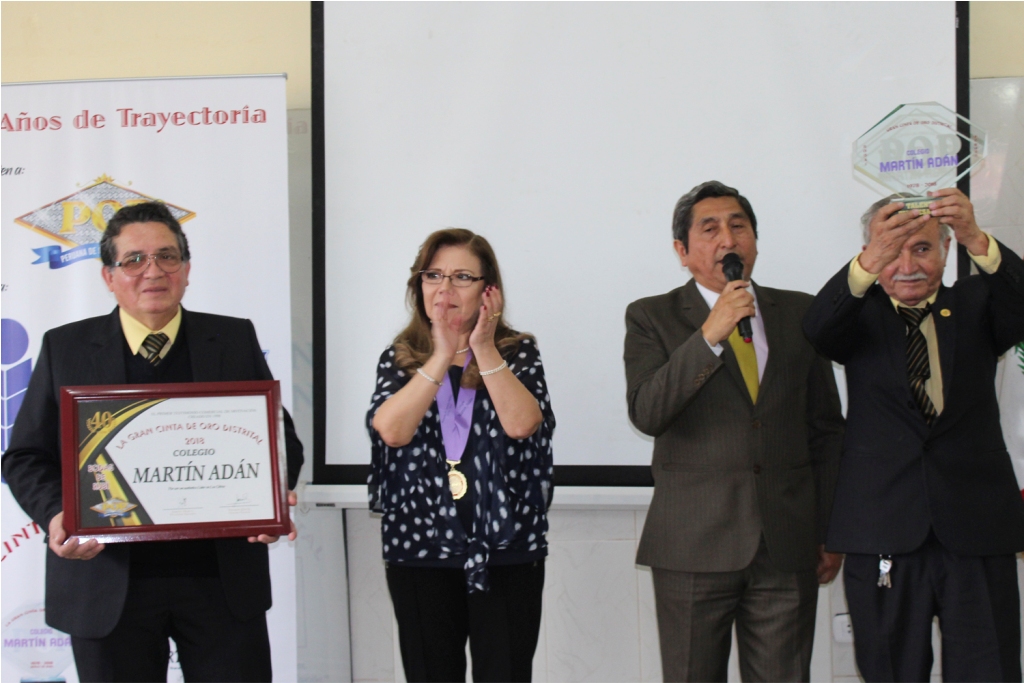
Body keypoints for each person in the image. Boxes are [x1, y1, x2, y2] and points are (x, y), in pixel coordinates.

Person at [1, 201, 304, 683]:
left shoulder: (231, 339)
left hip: (220, 583)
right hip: (106, 581)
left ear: (187, 269)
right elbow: (25, 457)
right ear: (108, 276)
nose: (153, 271)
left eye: (167, 256)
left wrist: (269, 500)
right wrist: (59, 514)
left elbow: (279, 439)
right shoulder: (66, 347)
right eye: (134, 260)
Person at [624, 180, 845, 682]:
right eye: (710, 229)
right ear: (682, 251)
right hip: (692, 544)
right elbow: (648, 411)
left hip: (786, 544)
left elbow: (827, 430)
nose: (728, 238)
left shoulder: (800, 313)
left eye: (739, 226)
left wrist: (830, 528)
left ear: (755, 241)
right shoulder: (651, 316)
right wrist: (710, 334)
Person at [803, 188, 1024, 682]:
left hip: (976, 527)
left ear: (946, 249)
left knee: (990, 670)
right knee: (889, 671)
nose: (907, 265)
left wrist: (976, 237)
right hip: (882, 526)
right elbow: (817, 329)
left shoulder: (977, 303)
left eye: (922, 248)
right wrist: (869, 260)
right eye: (892, 250)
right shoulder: (856, 315)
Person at [367, 228, 555, 682]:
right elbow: (391, 431)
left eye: (462, 277)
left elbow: (522, 424)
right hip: (420, 549)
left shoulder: (518, 353)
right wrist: (440, 355)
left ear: (489, 291)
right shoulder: (400, 358)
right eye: (433, 275)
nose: (445, 289)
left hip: (506, 550)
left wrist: (482, 348)